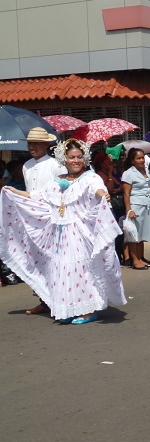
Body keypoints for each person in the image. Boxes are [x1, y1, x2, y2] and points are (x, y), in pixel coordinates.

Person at [0, 139, 126, 324]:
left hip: (80, 233)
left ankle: (89, 310)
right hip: (60, 234)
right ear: (64, 159)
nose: (76, 161)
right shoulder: (59, 181)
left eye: (79, 157)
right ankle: (71, 308)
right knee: (64, 271)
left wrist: (103, 194)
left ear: (85, 158)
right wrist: (14, 192)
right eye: (72, 157)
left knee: (81, 270)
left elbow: (97, 189)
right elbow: (38, 196)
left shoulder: (90, 177)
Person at [21, 127, 66, 315]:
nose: (32, 147)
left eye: (36, 144)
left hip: (50, 217)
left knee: (53, 259)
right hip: (31, 218)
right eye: (30, 144)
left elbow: (63, 190)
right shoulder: (26, 166)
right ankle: (44, 299)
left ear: (46, 145)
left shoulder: (55, 165)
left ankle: (58, 299)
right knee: (36, 260)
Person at [121, 148, 150, 270]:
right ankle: (135, 260)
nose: (141, 160)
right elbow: (126, 194)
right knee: (134, 235)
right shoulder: (128, 173)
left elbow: (147, 183)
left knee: (142, 234)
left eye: (142, 157)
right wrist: (129, 210)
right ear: (132, 160)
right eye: (138, 158)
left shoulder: (145, 170)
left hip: (146, 205)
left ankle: (140, 258)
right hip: (135, 206)